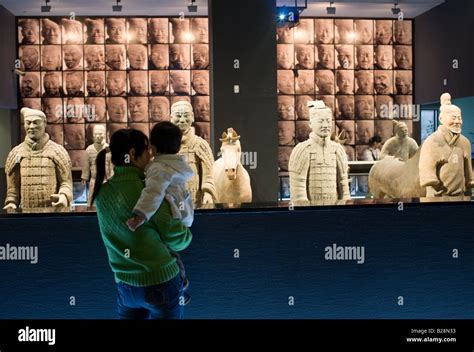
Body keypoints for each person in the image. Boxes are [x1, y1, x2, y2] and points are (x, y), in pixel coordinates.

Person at [91, 129, 192, 319]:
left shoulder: (101, 193)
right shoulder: (148, 191)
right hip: (161, 282)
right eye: (146, 150)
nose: (151, 154)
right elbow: (178, 240)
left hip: (125, 287)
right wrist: (186, 233)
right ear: (132, 154)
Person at [126, 122, 194, 299]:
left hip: (174, 213)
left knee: (170, 253)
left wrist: (140, 215)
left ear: (153, 149)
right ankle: (182, 285)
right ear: (178, 147)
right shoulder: (176, 165)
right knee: (173, 253)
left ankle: (182, 286)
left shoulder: (158, 168)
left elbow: (153, 193)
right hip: (184, 213)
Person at [4, 108, 72, 209]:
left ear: (44, 123)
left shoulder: (58, 151)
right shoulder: (16, 153)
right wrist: (11, 202)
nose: (31, 127)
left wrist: (64, 196)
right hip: (26, 214)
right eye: (28, 123)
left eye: (36, 122)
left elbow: (66, 182)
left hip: (53, 212)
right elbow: (12, 189)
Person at [289, 100, 350, 202]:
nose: (325, 125)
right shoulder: (302, 149)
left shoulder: (338, 149)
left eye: (328, 121)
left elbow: (343, 183)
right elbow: (298, 190)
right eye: (321, 121)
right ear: (311, 124)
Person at [419, 93, 474, 197]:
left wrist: (470, 181)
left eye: (459, 118)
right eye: (453, 118)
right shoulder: (432, 141)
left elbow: (468, 171)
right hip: (437, 197)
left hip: (460, 197)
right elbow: (426, 170)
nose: (457, 121)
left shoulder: (465, 142)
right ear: (441, 119)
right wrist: (431, 179)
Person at [170, 101, 216, 205]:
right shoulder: (164, 145)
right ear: (171, 118)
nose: (182, 120)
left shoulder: (200, 144)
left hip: (194, 201)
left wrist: (207, 192)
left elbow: (209, 173)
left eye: (186, 116)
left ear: (193, 117)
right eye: (178, 116)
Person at [82, 125, 113, 206]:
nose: (98, 136)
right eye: (96, 134)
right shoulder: (89, 149)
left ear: (104, 134)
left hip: (106, 180)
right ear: (93, 135)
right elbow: (86, 165)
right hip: (94, 180)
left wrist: (112, 177)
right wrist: (84, 177)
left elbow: (111, 165)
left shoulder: (108, 149)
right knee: (93, 201)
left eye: (100, 134)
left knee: (107, 201)